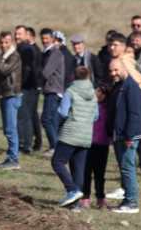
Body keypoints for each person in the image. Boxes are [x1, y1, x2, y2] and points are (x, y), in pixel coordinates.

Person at [51, 66, 97, 208]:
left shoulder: (70, 91)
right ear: (88, 77)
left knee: (57, 162)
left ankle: (72, 189)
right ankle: (76, 205)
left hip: (70, 133)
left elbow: (63, 113)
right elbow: (96, 116)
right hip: (85, 135)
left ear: (73, 77)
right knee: (78, 169)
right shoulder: (94, 94)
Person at [109, 58, 141, 214]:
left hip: (128, 136)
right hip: (119, 135)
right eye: (111, 71)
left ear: (124, 69)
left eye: (116, 70)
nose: (113, 73)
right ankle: (127, 199)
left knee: (128, 168)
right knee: (124, 168)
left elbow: (135, 113)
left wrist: (129, 136)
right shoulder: (119, 86)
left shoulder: (131, 87)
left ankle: (132, 202)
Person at [0, 31, 22, 169]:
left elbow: (4, 70)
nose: (3, 45)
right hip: (5, 94)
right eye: (1, 42)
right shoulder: (3, 56)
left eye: (6, 42)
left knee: (11, 128)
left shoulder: (14, 56)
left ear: (11, 42)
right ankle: (10, 156)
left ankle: (13, 159)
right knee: (7, 128)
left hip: (12, 94)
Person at [82, 87, 110, 209]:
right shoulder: (89, 106)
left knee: (100, 173)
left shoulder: (108, 108)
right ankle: (85, 197)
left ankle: (100, 197)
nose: (96, 93)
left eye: (99, 92)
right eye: (95, 91)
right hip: (88, 143)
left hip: (102, 144)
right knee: (86, 172)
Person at [40, 28, 64, 155]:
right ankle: (55, 146)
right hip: (51, 89)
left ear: (52, 39)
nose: (44, 41)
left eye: (47, 38)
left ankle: (55, 146)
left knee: (46, 119)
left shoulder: (55, 53)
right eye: (43, 39)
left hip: (53, 90)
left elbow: (46, 72)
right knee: (52, 120)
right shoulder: (48, 52)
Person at [14, 25, 36, 154]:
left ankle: (26, 144)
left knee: (25, 116)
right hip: (24, 86)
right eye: (16, 34)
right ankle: (24, 142)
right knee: (23, 115)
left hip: (27, 87)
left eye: (20, 34)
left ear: (26, 35)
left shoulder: (26, 49)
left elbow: (27, 69)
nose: (17, 36)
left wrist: (20, 85)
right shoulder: (21, 48)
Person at [26, 26, 44, 151]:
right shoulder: (30, 49)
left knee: (32, 114)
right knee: (32, 114)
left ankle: (37, 141)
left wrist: (37, 84)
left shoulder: (34, 50)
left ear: (31, 36)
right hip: (31, 86)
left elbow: (35, 69)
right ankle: (36, 140)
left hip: (33, 87)